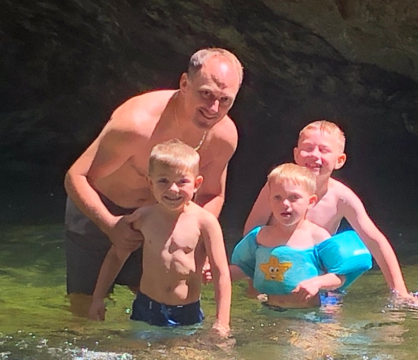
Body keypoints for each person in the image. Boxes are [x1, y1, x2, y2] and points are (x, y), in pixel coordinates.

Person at [64, 48, 243, 311]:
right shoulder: (136, 125)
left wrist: (199, 237)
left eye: (225, 100)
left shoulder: (224, 136)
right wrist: (111, 225)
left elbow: (212, 194)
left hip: (163, 218)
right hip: (101, 211)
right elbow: (76, 177)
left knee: (159, 303)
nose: (213, 108)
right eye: (205, 94)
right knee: (86, 306)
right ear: (184, 83)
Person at [242, 120, 418, 307]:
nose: (314, 155)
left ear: (339, 160)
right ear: (296, 154)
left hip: (318, 281)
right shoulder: (275, 188)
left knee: (328, 329)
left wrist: (400, 292)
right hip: (275, 275)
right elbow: (252, 232)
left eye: (324, 150)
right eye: (308, 148)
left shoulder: (341, 197)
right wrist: (252, 277)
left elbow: (375, 241)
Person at [88, 140, 231, 336]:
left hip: (185, 311)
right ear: (150, 182)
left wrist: (222, 321)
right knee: (140, 358)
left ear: (197, 183)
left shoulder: (205, 223)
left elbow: (221, 272)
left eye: (182, 181)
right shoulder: (143, 217)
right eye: (163, 181)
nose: (173, 189)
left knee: (181, 359)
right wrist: (98, 297)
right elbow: (116, 255)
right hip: (146, 307)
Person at [231, 163, 371, 309]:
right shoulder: (260, 236)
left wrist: (317, 283)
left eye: (293, 197)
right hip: (270, 308)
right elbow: (244, 268)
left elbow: (339, 276)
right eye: (277, 197)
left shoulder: (317, 237)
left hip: (309, 313)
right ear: (269, 201)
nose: (285, 204)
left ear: (311, 202)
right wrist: (217, 273)